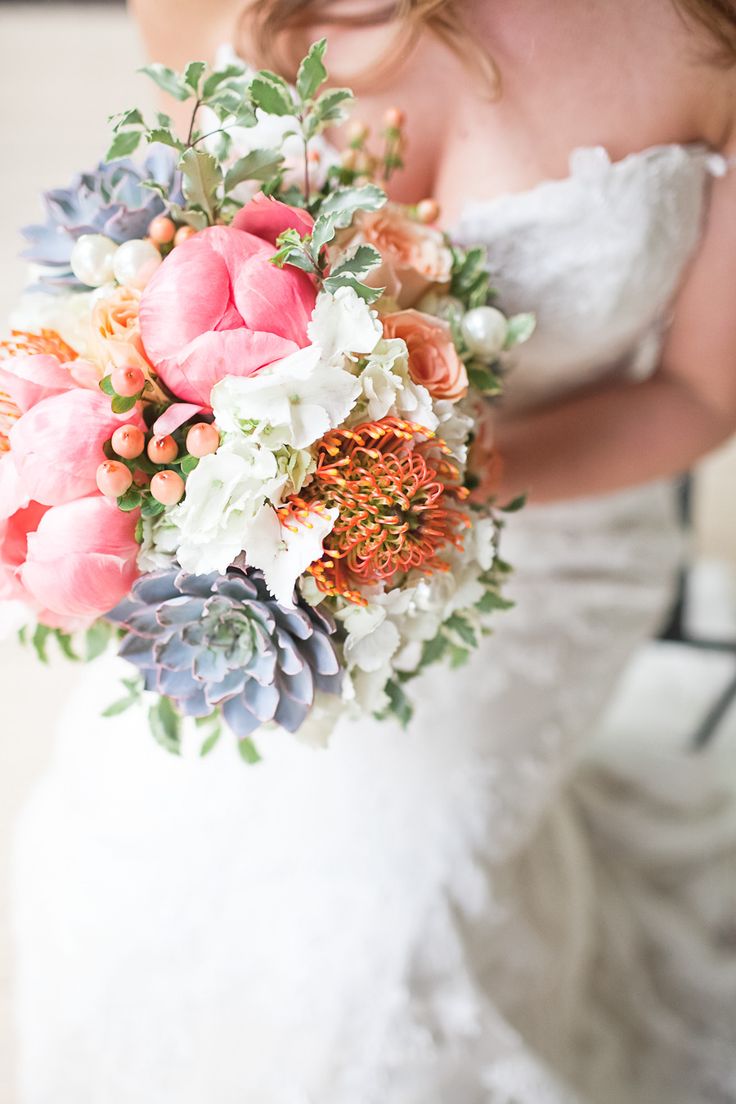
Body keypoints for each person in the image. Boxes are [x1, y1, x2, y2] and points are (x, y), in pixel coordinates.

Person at [13, 2, 736, 1101]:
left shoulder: (708, 37)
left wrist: (456, 475)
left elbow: (696, 394)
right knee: (116, 862)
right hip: (242, 527)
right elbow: (163, 253)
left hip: (543, 539)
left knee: (383, 920)